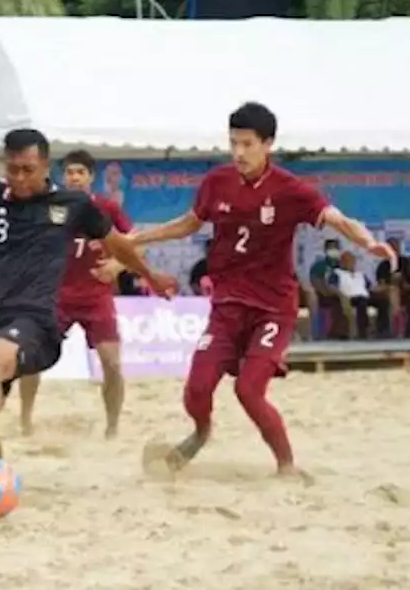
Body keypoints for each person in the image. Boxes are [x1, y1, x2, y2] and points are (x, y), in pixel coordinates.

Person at [0, 98, 179, 495]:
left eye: (28, 170)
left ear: (45, 167)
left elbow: (118, 243)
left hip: (39, 321)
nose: (20, 178)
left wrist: (149, 275)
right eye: (12, 169)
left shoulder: (72, 205)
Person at [132, 102, 395, 477]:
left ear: (268, 144)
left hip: (273, 309)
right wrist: (140, 238)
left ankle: (286, 466)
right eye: (233, 143)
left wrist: (368, 243)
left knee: (249, 392)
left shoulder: (291, 190)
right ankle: (202, 431)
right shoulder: (217, 181)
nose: (238, 152)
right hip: (227, 306)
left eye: (247, 144)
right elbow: (190, 222)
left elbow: (338, 219)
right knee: (196, 388)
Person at [17, 149, 133, 439]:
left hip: (97, 297)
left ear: (91, 177)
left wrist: (118, 265)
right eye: (70, 172)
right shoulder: (50, 207)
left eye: (80, 172)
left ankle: (112, 427)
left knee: (113, 363)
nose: (75, 177)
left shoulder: (107, 208)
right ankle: (25, 420)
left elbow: (136, 243)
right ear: (63, 177)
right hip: (57, 296)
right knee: (32, 355)